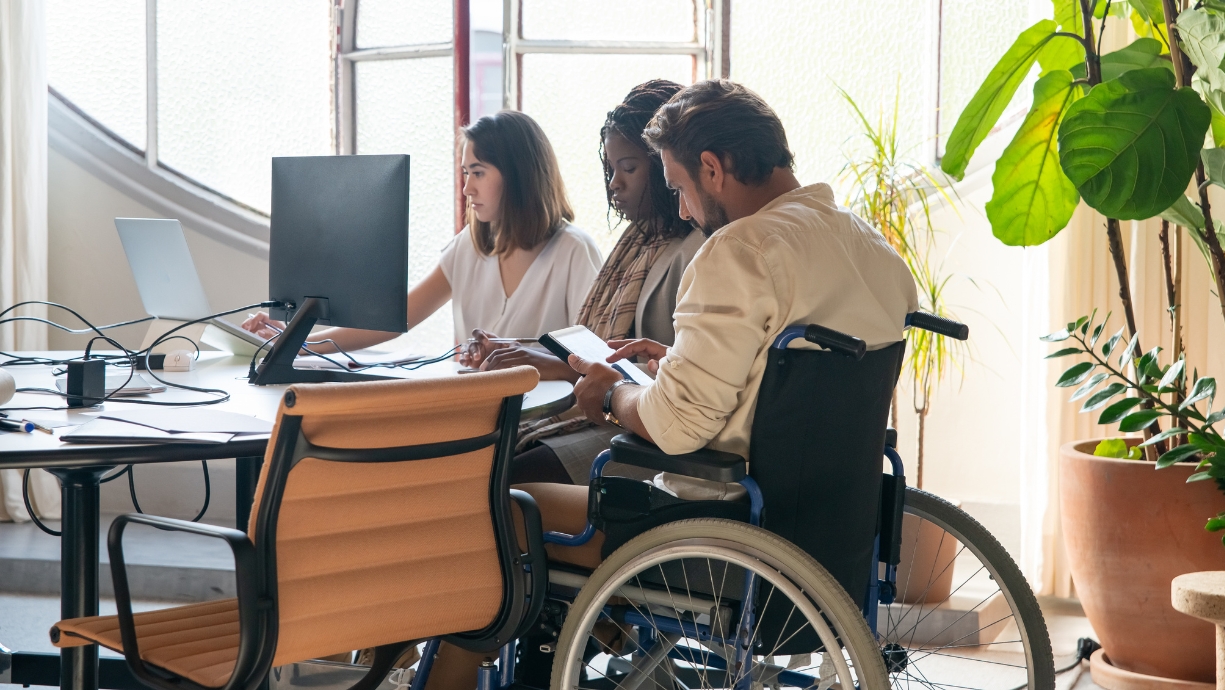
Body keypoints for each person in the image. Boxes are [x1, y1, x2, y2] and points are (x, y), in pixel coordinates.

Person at [564, 79, 919, 500]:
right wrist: (685, 363)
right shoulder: (875, 248)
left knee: (519, 503)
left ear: (712, 169)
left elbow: (676, 427)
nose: (682, 210)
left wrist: (611, 393)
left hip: (714, 515)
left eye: (679, 188)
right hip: (831, 510)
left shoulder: (738, 250)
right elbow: (798, 393)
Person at [472, 80, 705, 485]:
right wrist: (528, 352)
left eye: (629, 168)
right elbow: (601, 344)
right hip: (618, 414)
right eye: (611, 169)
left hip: (645, 430)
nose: (615, 183)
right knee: (485, 457)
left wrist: (562, 368)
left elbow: (674, 376)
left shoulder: (696, 250)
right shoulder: (638, 241)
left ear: (667, 164)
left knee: (504, 475)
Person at [241, 110, 602, 353]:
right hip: (475, 411)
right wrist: (299, 343)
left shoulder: (573, 251)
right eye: (466, 173)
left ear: (519, 175)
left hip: (539, 418)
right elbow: (395, 320)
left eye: (478, 173)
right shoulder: (470, 247)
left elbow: (593, 356)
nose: (467, 189)